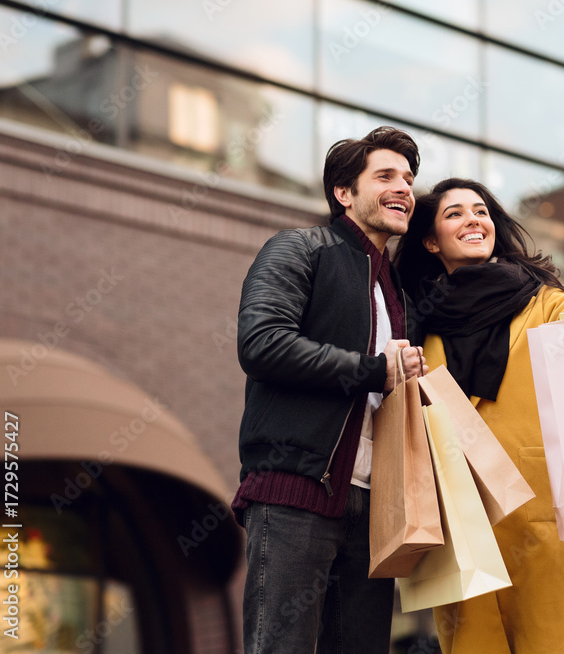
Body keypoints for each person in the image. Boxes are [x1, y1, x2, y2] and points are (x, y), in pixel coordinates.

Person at [395, 161, 564, 653]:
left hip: (540, 508)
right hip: (459, 517)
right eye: (455, 214)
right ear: (431, 241)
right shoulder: (416, 327)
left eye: (482, 211)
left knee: (559, 643)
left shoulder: (541, 302)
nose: (473, 220)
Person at [232, 126, 428, 654]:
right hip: (297, 493)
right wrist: (373, 370)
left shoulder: (398, 291)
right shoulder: (301, 248)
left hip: (375, 506)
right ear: (344, 193)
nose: (404, 188)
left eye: (408, 179)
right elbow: (262, 342)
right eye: (384, 176)